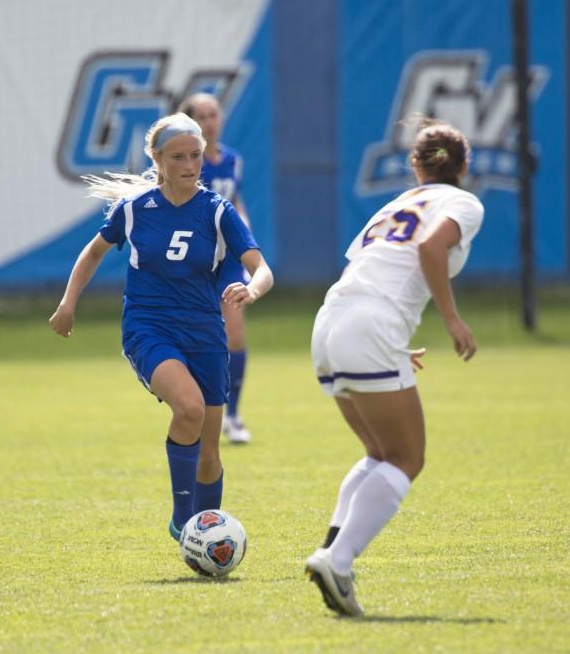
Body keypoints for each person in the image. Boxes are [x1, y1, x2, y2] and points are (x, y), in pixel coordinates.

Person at [49, 112, 274, 543]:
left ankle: (208, 536)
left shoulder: (218, 211)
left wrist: (253, 290)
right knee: (187, 408)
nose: (190, 165)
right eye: (178, 158)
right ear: (157, 160)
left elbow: (261, 267)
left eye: (196, 156)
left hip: (205, 333)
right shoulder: (135, 210)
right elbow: (93, 253)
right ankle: (182, 520)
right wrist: (67, 303)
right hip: (148, 327)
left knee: (209, 452)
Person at [304, 116, 483, 617]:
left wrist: (389, 343)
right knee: (406, 459)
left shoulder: (393, 205)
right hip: (371, 325)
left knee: (378, 452)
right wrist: (450, 319)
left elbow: (368, 271)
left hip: (331, 320)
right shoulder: (463, 202)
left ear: (415, 166)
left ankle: (333, 552)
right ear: (464, 166)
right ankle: (336, 558)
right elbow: (430, 247)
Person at [179, 93, 255, 444]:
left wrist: (246, 241)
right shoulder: (186, 162)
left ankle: (233, 415)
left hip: (226, 261)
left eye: (214, 114)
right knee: (196, 337)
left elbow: (236, 203)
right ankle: (192, 406)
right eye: (203, 116)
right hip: (194, 263)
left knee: (235, 334)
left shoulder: (233, 161)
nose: (211, 121)